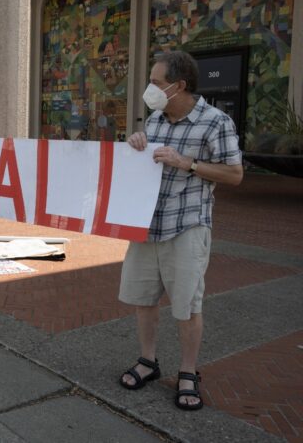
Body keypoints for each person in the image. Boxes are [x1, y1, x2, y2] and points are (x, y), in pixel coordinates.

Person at [118, 51, 243, 411]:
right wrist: (137, 144)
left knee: (187, 305)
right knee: (144, 300)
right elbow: (146, 161)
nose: (150, 89)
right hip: (148, 223)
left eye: (156, 83)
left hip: (187, 224)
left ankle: (188, 372)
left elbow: (235, 174)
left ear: (179, 86)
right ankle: (147, 361)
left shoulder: (215, 122)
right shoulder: (156, 119)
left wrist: (187, 163)